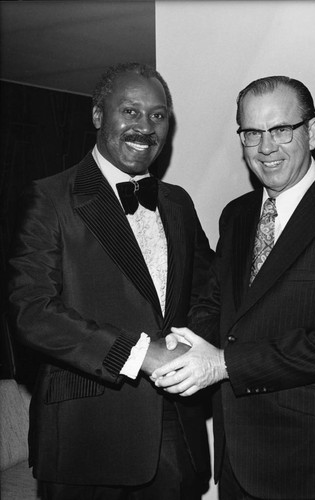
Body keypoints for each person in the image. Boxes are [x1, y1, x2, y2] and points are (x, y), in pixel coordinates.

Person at [152, 76, 315, 500]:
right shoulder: (237, 215)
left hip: (312, 461)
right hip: (236, 459)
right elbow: (219, 304)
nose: (266, 148)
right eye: (252, 133)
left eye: (281, 130)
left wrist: (224, 364)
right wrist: (169, 348)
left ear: (311, 133)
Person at [8, 62, 213, 500]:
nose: (145, 126)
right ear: (99, 115)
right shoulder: (49, 198)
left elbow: (207, 291)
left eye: (158, 115)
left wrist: (193, 344)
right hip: (87, 438)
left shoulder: (178, 202)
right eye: (131, 111)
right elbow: (31, 311)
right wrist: (140, 354)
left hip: (177, 436)